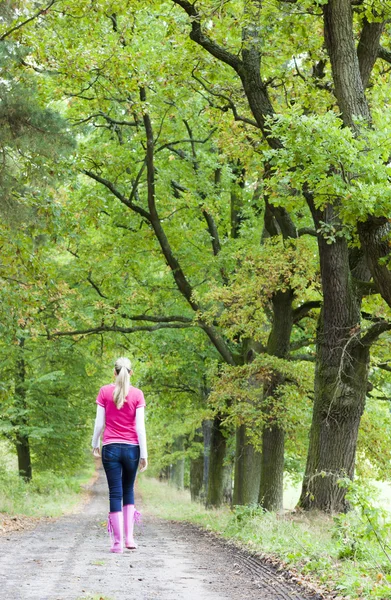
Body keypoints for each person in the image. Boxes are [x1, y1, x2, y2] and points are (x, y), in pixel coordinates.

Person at [91, 356, 148, 553]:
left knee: (115, 493)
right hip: (132, 448)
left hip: (111, 448)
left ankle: (117, 544)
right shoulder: (138, 394)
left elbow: (99, 424)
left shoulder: (104, 392)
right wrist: (144, 454)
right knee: (128, 490)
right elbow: (140, 428)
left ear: (114, 372)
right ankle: (130, 539)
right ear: (131, 373)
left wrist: (94, 443)